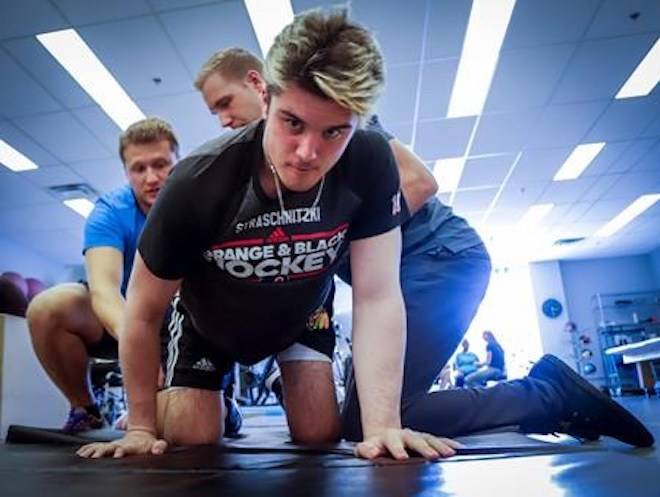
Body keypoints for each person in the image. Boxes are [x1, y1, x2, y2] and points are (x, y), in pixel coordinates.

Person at [190, 35, 654, 449]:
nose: (223, 119)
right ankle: (545, 395)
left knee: (368, 421)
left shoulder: (325, 115)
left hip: (440, 260)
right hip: (421, 268)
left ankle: (547, 396)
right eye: (215, 113)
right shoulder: (276, 164)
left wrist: (327, 246)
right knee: (367, 413)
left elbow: (417, 181)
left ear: (257, 84)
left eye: (224, 103)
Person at [78, 9, 459, 461]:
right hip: (209, 321)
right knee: (194, 438)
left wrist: (382, 427)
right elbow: (141, 312)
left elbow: (376, 294)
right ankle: (219, 399)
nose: (307, 153)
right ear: (264, 94)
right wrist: (140, 425)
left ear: (359, 120)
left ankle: (285, 375)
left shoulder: (371, 160)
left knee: (320, 433)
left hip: (300, 312)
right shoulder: (197, 182)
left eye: (334, 131)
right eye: (292, 123)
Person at [26, 117, 241, 435]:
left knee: (182, 428)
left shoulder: (200, 202)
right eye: (138, 169)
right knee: (49, 307)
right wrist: (141, 346)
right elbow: (104, 292)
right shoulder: (110, 211)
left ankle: (221, 396)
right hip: (126, 319)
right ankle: (84, 409)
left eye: (161, 164)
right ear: (126, 172)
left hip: (184, 325)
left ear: (177, 162)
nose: (151, 178)